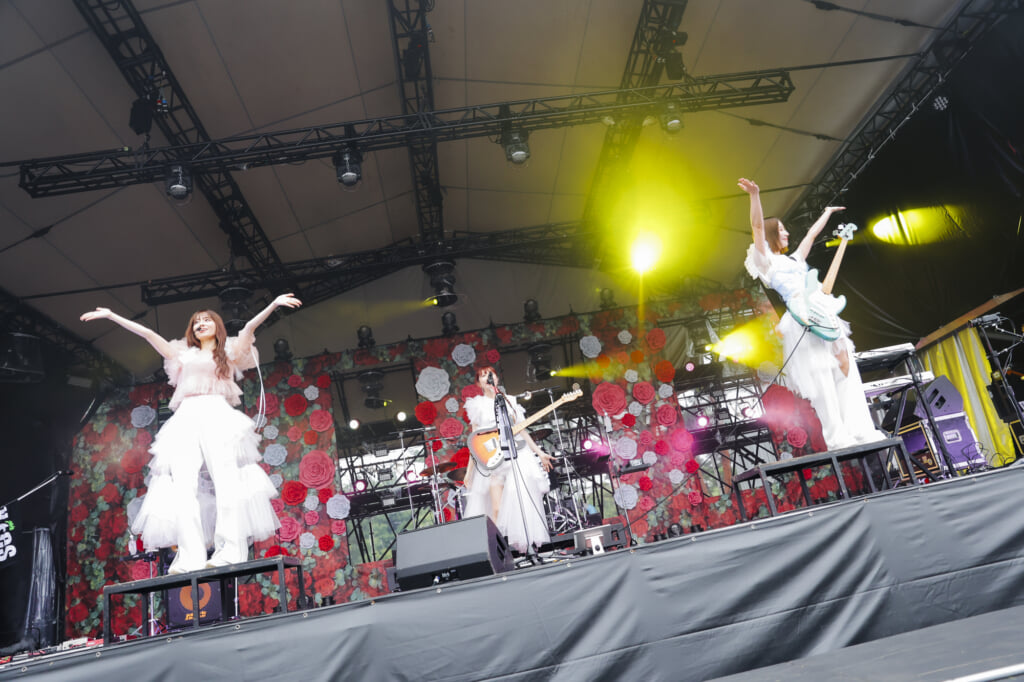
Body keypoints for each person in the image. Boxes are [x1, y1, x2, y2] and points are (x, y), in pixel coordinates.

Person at [80, 294, 302, 573]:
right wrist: (112, 316)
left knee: (226, 483)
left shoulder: (229, 350)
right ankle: (189, 556)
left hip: (216, 413)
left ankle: (230, 550)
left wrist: (273, 304)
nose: (201, 324)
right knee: (183, 488)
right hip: (186, 416)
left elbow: (249, 329)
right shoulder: (182, 353)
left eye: (207, 320)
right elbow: (148, 334)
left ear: (217, 325)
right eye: (196, 322)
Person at [738, 178, 885, 450]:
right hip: (801, 317)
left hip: (822, 310)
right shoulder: (766, 262)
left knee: (845, 367)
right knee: (822, 375)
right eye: (781, 230)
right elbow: (757, 226)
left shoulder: (794, 259)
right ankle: (837, 437)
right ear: (771, 235)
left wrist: (826, 214)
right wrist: (754, 195)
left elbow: (811, 236)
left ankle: (861, 430)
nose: (786, 233)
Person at [463, 366, 554, 553]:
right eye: (483, 376)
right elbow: (474, 441)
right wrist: (469, 471)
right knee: (496, 508)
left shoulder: (509, 401)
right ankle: (498, 552)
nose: (488, 378)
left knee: (519, 502)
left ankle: (525, 547)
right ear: (479, 383)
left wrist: (539, 452)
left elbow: (521, 430)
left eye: (491, 374)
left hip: (515, 457)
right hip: (492, 461)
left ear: (496, 378)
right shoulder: (477, 405)